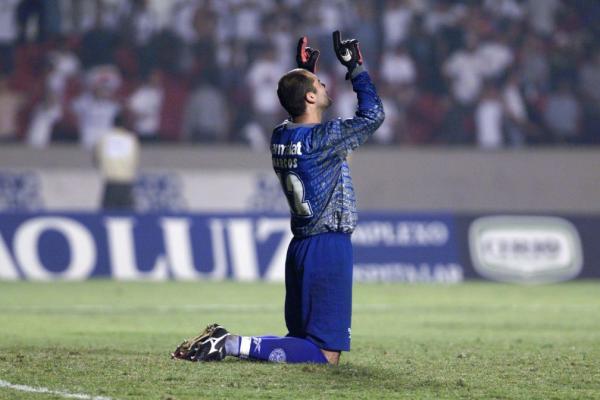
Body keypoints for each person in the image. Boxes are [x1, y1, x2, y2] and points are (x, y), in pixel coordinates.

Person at [172, 32, 384, 365]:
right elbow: (372, 117)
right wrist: (356, 68)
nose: (327, 86)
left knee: (298, 342)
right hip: (327, 247)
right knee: (325, 354)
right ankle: (229, 344)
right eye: (320, 84)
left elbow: (298, 109)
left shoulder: (280, 135)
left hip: (300, 246)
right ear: (311, 98)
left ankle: (229, 343)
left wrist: (302, 71)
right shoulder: (320, 138)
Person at [95, 114, 140, 210]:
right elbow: (135, 161)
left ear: (113, 124)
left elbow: (96, 158)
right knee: (127, 214)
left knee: (107, 214)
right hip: (126, 183)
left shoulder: (104, 139)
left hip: (111, 182)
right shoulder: (131, 139)